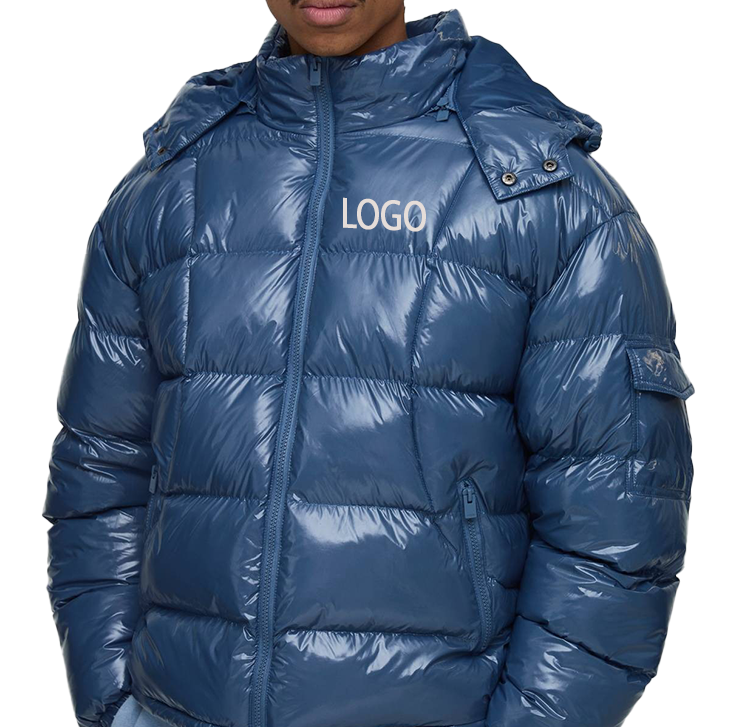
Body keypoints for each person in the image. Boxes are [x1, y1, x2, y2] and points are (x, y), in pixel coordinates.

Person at [44, 3, 695, 727]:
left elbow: (616, 521)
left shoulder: (540, 194)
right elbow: (100, 478)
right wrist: (114, 708)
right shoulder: (169, 187)